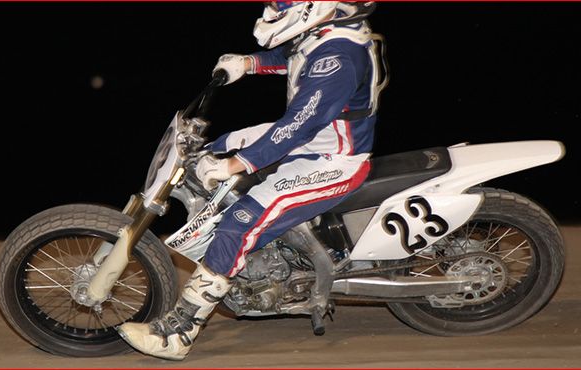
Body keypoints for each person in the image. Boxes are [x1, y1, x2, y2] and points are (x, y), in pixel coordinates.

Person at [118, 1, 387, 360]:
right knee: (209, 151)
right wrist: (250, 63)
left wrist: (237, 165)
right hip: (312, 141)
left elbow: (297, 125)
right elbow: (297, 57)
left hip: (331, 158)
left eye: (285, 3)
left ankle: (179, 333)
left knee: (236, 225)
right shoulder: (325, 33)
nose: (275, 7)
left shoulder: (338, 57)